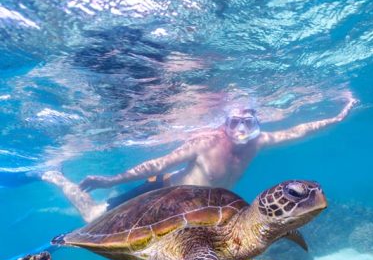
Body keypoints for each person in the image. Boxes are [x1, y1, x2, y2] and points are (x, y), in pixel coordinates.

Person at [42, 93, 357, 223]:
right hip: (164, 192)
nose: (243, 129)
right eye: (236, 122)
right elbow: (158, 164)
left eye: (250, 121)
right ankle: (54, 176)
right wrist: (110, 179)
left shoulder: (258, 141)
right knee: (95, 216)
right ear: (225, 123)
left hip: (203, 207)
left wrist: (337, 118)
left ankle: (110, 195)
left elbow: (298, 131)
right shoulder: (206, 141)